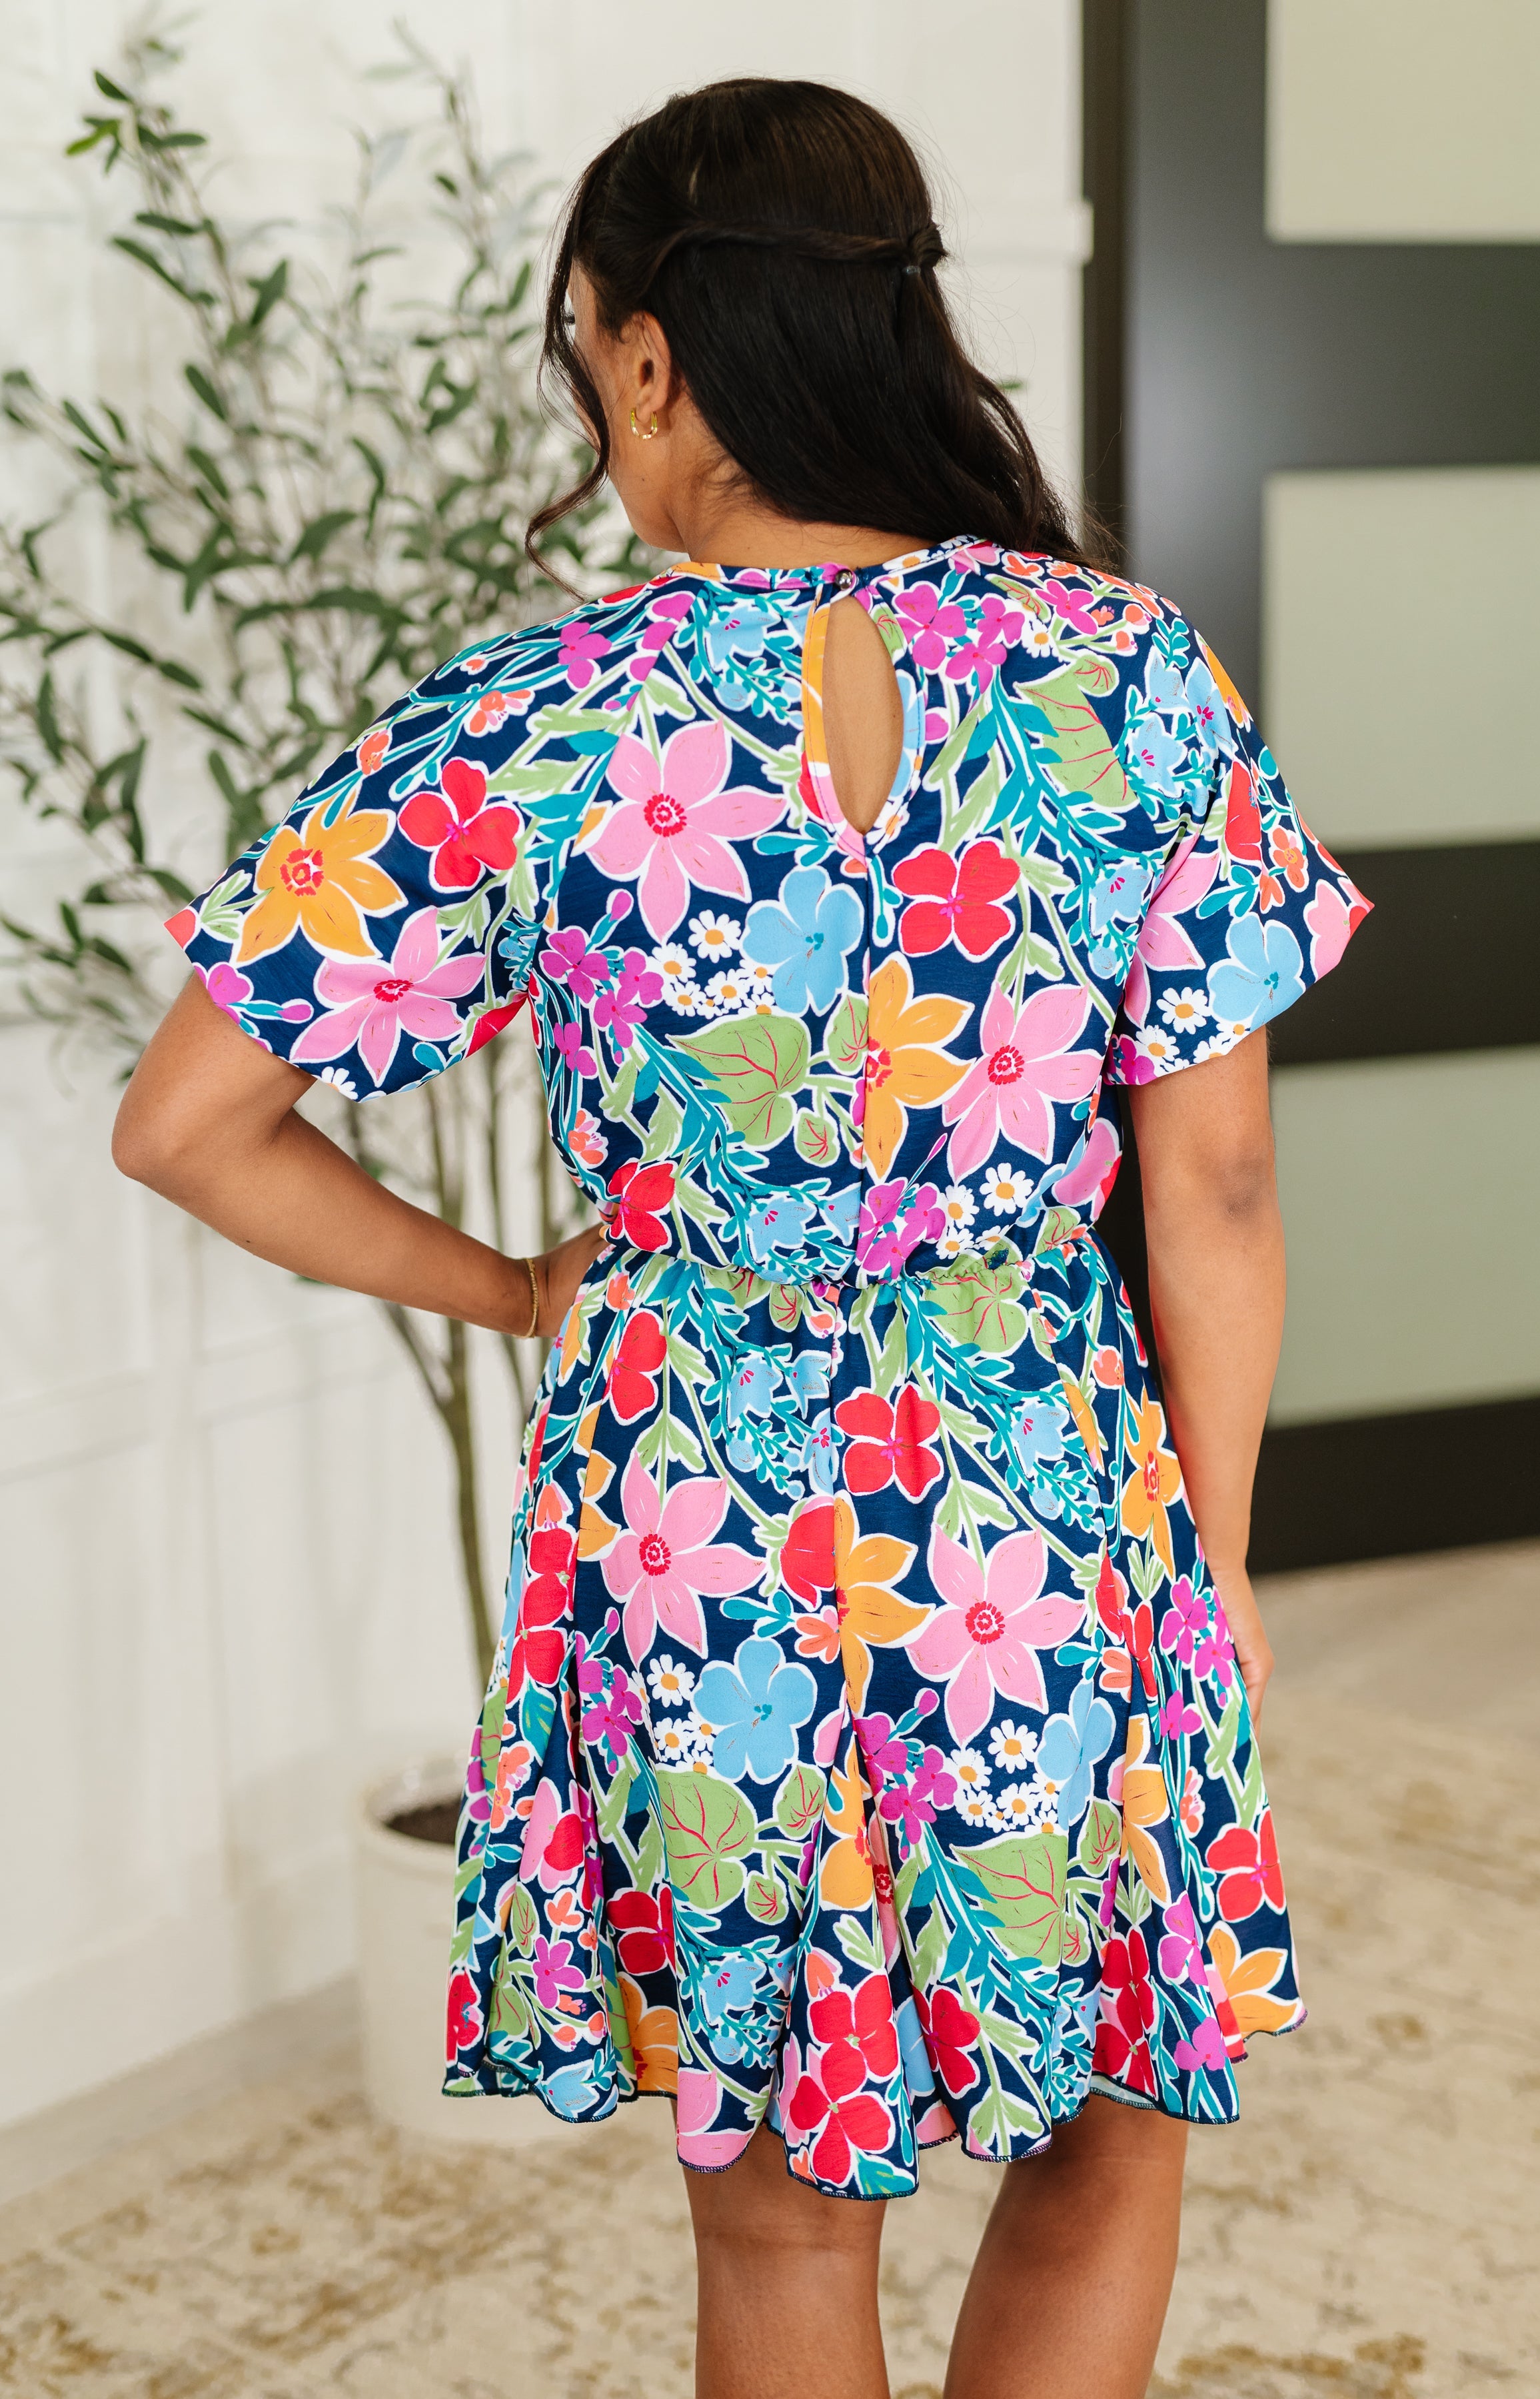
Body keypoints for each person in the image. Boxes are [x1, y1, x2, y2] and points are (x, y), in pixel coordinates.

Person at [115, 75, 1369, 2399]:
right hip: (1052, 1510)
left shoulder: (529, 718)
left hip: (693, 1526)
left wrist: (520, 1288)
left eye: (584, 352)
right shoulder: (1127, 677)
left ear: (654, 355)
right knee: (1103, 2139)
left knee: (786, 2246)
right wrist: (1202, 1577)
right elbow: (1206, 1192)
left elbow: (187, 1125)